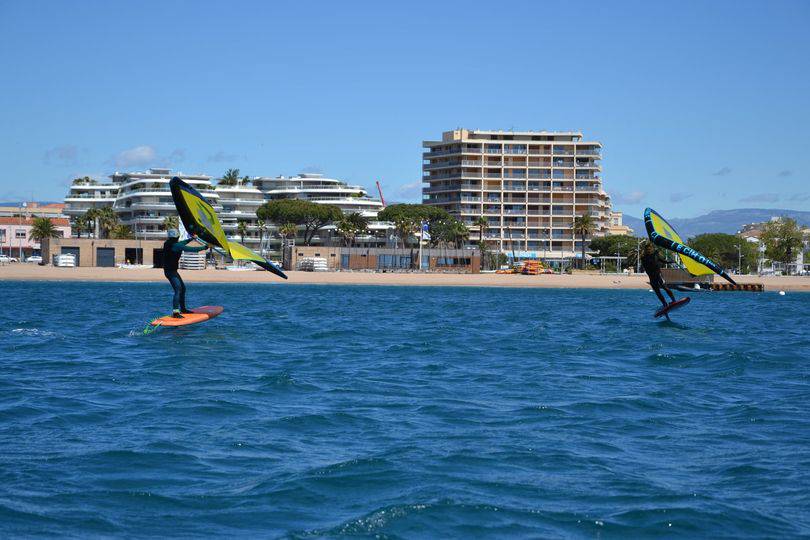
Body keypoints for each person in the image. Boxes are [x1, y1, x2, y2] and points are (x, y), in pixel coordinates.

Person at [163, 229, 208, 318]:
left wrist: (191, 239)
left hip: (171, 271)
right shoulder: (176, 245)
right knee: (178, 290)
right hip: (170, 272)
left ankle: (183, 309)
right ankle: (176, 313)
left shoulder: (168, 243)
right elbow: (191, 249)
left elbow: (182, 243)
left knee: (182, 289)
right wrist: (205, 247)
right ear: (177, 237)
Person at [640, 240, 677, 318]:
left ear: (651, 249)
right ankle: (665, 304)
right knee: (657, 292)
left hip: (658, 275)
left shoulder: (655, 254)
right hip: (651, 277)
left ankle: (673, 300)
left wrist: (671, 262)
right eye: (647, 249)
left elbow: (663, 261)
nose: (649, 250)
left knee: (664, 287)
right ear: (645, 250)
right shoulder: (643, 257)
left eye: (650, 249)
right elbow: (642, 267)